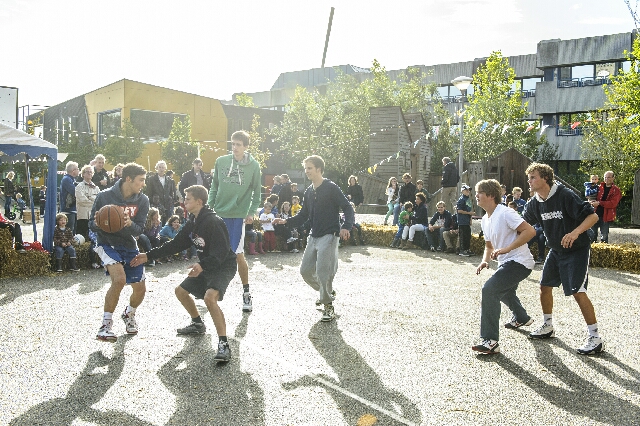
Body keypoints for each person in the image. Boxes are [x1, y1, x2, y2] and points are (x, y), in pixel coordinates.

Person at [130, 185, 238, 362]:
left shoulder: (213, 222)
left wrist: (202, 265)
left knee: (210, 298)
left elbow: (221, 252)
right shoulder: (193, 222)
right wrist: (147, 256)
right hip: (206, 264)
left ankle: (224, 344)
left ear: (199, 201)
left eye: (187, 199)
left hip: (223, 265)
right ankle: (197, 323)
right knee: (180, 291)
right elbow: (176, 244)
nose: (184, 201)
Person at [522, 162, 604, 355]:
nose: (529, 180)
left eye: (533, 177)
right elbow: (522, 224)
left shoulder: (565, 195)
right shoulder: (535, 202)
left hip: (577, 249)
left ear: (545, 178)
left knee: (578, 291)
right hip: (556, 250)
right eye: (529, 177)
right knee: (544, 286)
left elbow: (593, 218)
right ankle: (547, 325)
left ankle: (595, 337)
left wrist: (575, 233)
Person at [273, 155, 354, 322]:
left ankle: (328, 306)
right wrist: (286, 221)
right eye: (305, 168)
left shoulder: (331, 187)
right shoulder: (309, 191)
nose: (306, 171)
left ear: (318, 169)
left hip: (329, 235)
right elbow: (304, 215)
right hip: (313, 236)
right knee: (305, 271)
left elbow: (347, 207)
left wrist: (346, 226)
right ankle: (327, 293)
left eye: (309, 168)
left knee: (323, 272)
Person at [472, 179, 536, 354]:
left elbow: (530, 231)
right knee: (505, 290)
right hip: (507, 262)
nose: (476, 195)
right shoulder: (485, 219)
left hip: (520, 262)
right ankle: (522, 317)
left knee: (490, 289)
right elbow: (489, 246)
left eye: (480, 193)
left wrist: (507, 249)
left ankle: (490, 341)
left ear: (491, 195)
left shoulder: (506, 213)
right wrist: (485, 260)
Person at [90, 163, 149, 343]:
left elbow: (139, 230)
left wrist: (129, 223)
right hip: (107, 242)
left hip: (129, 244)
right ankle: (105, 326)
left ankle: (129, 313)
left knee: (140, 288)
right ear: (128, 179)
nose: (143, 184)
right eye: (141, 180)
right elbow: (91, 225)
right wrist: (102, 222)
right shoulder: (104, 196)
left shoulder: (142, 200)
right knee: (120, 279)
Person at [208, 131, 261, 313]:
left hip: (238, 216)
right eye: (233, 144)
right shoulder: (221, 161)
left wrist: (251, 212)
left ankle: (246, 293)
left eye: (239, 144)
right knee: (213, 253)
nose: (235, 147)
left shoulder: (254, 166)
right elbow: (214, 186)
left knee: (237, 255)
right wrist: (208, 208)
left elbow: (257, 192)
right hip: (219, 213)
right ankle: (208, 291)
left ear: (246, 146)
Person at [590, 171, 621, 244]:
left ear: (613, 178)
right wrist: (591, 201)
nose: (607, 179)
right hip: (594, 214)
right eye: (605, 177)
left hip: (606, 216)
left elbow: (613, 203)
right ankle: (590, 254)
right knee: (592, 236)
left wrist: (599, 203)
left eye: (609, 177)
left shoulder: (616, 190)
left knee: (604, 237)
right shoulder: (598, 187)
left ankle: (603, 254)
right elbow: (591, 196)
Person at [146, 160, 177, 224]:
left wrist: (172, 200)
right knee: (157, 223)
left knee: (169, 223)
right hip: (157, 205)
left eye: (163, 167)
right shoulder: (151, 179)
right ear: (156, 168)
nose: (161, 169)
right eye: (159, 167)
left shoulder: (169, 180)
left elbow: (172, 192)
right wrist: (152, 202)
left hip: (168, 205)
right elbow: (149, 193)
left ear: (165, 168)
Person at [75, 165, 100, 240]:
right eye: (87, 172)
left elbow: (99, 201)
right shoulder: (79, 186)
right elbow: (81, 201)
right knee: (81, 238)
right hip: (82, 216)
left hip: (93, 217)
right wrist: (93, 200)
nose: (89, 173)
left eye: (91, 172)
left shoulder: (96, 188)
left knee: (93, 238)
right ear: (83, 174)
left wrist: (89, 198)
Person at [60, 161, 79, 234]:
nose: (78, 171)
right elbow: (75, 191)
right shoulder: (67, 179)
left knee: (72, 230)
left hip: (72, 209)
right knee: (69, 231)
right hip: (68, 210)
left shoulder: (71, 179)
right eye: (77, 169)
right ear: (73, 171)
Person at [456, 184, 474, 257]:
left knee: (468, 236)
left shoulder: (468, 199)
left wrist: (470, 218)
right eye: (466, 190)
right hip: (462, 221)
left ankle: (467, 249)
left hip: (467, 220)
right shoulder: (461, 199)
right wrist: (469, 213)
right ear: (463, 191)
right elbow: (459, 211)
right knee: (463, 236)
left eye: (469, 190)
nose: (468, 191)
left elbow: (469, 209)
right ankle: (462, 250)